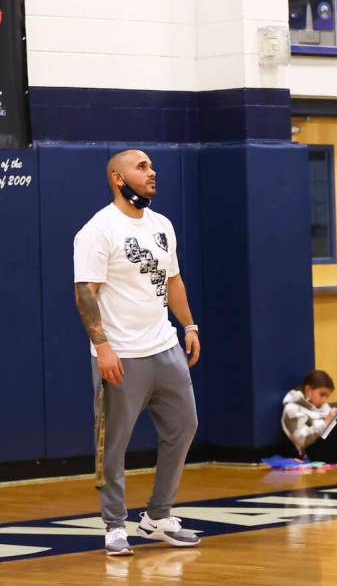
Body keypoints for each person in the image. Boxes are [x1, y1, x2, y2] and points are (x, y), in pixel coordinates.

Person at [74, 149, 202, 556]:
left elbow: (174, 281)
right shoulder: (98, 229)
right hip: (121, 355)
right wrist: (103, 346)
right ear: (117, 177)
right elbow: (84, 292)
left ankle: (158, 517)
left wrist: (189, 325)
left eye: (151, 166)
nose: (152, 172)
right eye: (141, 167)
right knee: (114, 443)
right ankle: (114, 525)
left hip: (164, 346)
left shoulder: (161, 224)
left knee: (184, 427)